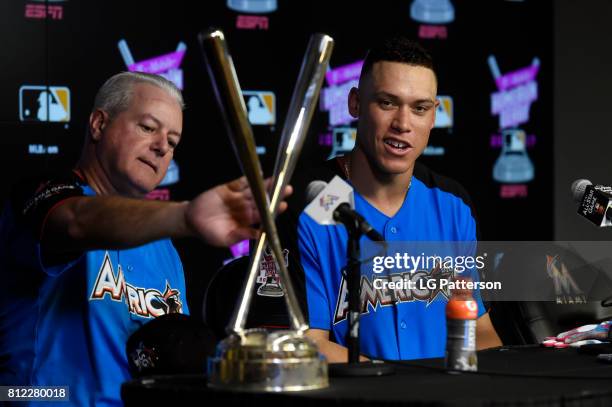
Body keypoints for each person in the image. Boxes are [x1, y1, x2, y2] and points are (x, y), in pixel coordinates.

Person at [0, 72, 289, 406]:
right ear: (98, 124)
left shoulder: (164, 247)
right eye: (148, 127)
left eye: (173, 140)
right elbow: (77, 222)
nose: (162, 146)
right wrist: (184, 216)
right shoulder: (40, 197)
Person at [278, 36, 502, 362]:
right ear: (355, 103)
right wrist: (391, 386)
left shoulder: (452, 204)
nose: (403, 124)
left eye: (420, 108)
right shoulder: (315, 203)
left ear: (434, 115)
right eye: (386, 103)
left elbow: (479, 331)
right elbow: (309, 343)